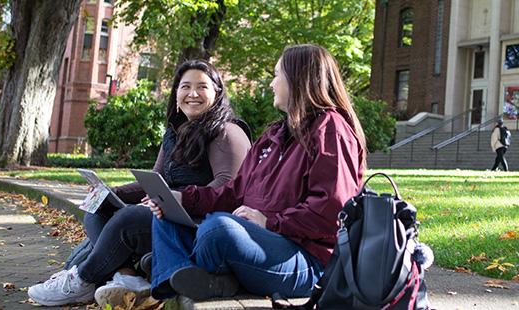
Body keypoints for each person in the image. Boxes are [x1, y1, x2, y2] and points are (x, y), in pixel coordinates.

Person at [144, 44, 366, 304]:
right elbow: (234, 193)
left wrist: (269, 222)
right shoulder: (273, 135)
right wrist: (182, 199)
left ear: (298, 78)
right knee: (166, 216)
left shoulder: (331, 130)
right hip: (258, 242)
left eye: (276, 75)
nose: (272, 84)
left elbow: (333, 211)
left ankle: (176, 267)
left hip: (306, 259)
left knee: (218, 229)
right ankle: (191, 274)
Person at [27, 60, 252, 307]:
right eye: (185, 86)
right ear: (176, 94)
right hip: (168, 215)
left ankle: (82, 280)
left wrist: (173, 199)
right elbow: (156, 180)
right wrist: (110, 192)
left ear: (217, 93)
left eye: (202, 87)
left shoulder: (227, 132)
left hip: (198, 226)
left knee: (129, 219)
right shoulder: (176, 133)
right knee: (97, 208)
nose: (193, 94)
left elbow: (227, 187)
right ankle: (128, 276)